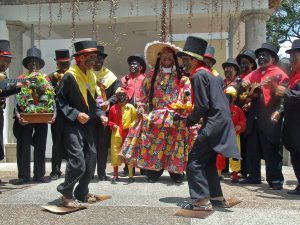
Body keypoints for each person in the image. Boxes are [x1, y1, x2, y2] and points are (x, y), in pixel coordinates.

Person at [177, 36, 240, 211]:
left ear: (194, 60)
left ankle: (201, 201)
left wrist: (188, 121)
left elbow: (202, 106)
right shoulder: (211, 75)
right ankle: (216, 197)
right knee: (208, 161)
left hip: (213, 123)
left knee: (194, 162)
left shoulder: (197, 76)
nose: (183, 63)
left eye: (184, 59)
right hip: (222, 121)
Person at [122, 41, 193, 183]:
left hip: (175, 117)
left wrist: (184, 108)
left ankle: (175, 173)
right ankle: (154, 172)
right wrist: (141, 106)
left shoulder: (183, 77)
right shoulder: (150, 76)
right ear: (159, 57)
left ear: (174, 57)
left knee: (174, 145)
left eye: (170, 55)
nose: (167, 57)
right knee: (155, 144)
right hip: (156, 117)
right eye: (164, 55)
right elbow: (143, 94)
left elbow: (188, 96)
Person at [56, 40, 107, 207]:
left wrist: (100, 114)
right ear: (79, 58)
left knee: (91, 158)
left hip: (87, 125)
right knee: (78, 161)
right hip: (70, 124)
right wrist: (76, 114)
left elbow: (93, 101)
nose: (94, 61)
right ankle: (66, 193)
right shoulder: (70, 76)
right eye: (90, 57)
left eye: (95, 57)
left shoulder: (91, 75)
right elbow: (60, 100)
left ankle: (82, 192)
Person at [241, 43, 289, 190]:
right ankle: (253, 176)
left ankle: (275, 179)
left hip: (270, 114)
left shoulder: (280, 73)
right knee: (252, 147)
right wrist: (245, 82)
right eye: (259, 55)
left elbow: (284, 97)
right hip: (255, 114)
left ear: (273, 58)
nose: (260, 57)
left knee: (271, 147)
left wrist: (279, 112)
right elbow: (246, 81)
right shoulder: (256, 73)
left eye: (264, 55)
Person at [13, 46, 54, 185]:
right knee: (23, 146)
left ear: (40, 64)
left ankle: (39, 174)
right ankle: (24, 175)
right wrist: (18, 114)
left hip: (42, 116)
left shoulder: (46, 78)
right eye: (31, 61)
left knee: (40, 145)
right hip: (25, 116)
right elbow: (16, 98)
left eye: (36, 61)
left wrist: (53, 113)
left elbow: (52, 98)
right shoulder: (21, 78)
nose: (34, 64)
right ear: (27, 64)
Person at [274, 39, 300, 195]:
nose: (291, 58)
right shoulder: (294, 76)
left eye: (294, 55)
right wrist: (280, 111)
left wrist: (286, 92)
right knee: (296, 155)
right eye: (290, 55)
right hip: (294, 126)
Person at [93, 45, 120, 181]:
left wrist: (109, 100)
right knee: (90, 144)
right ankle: (90, 172)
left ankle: (102, 172)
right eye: (96, 59)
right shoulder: (86, 74)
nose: (98, 62)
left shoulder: (110, 76)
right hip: (89, 115)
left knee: (102, 145)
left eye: (100, 59)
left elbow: (117, 93)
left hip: (104, 115)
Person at [0, 40, 27, 163]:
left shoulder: (3, 75)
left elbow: (4, 91)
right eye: (4, 59)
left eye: (8, 61)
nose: (6, 63)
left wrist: (18, 87)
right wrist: (16, 86)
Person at [120, 54, 146, 176]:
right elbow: (121, 95)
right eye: (131, 64)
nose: (132, 66)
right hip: (128, 113)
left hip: (142, 113)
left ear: (140, 67)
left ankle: (143, 167)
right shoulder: (125, 79)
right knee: (127, 139)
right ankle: (128, 167)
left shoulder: (146, 79)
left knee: (141, 140)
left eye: (135, 64)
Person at [48, 49, 71, 180]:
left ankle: (70, 170)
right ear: (57, 64)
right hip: (57, 114)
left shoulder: (73, 75)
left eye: (66, 64)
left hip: (71, 114)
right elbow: (48, 96)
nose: (64, 66)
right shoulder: (51, 77)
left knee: (71, 142)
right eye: (61, 64)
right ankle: (55, 171)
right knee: (56, 142)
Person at [216, 86, 246, 183]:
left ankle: (234, 174)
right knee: (220, 155)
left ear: (235, 97)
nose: (230, 98)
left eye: (232, 96)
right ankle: (218, 173)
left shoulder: (238, 109)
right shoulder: (220, 108)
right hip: (223, 135)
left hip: (234, 135)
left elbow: (243, 121)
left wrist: (239, 126)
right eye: (228, 96)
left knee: (235, 155)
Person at [235, 49, 257, 178]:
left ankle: (251, 171)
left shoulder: (256, 76)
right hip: (239, 115)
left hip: (251, 115)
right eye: (241, 64)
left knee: (251, 144)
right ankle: (241, 170)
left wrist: (251, 102)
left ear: (252, 65)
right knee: (241, 143)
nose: (243, 66)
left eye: (246, 63)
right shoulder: (238, 79)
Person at [108, 87, 137, 184]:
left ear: (126, 96)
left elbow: (135, 120)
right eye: (119, 95)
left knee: (128, 154)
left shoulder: (131, 107)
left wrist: (132, 126)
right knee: (115, 153)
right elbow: (109, 121)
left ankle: (130, 175)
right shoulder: (113, 108)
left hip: (128, 134)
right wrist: (113, 125)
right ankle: (115, 175)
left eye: (123, 95)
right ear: (116, 97)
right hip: (116, 134)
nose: (121, 97)